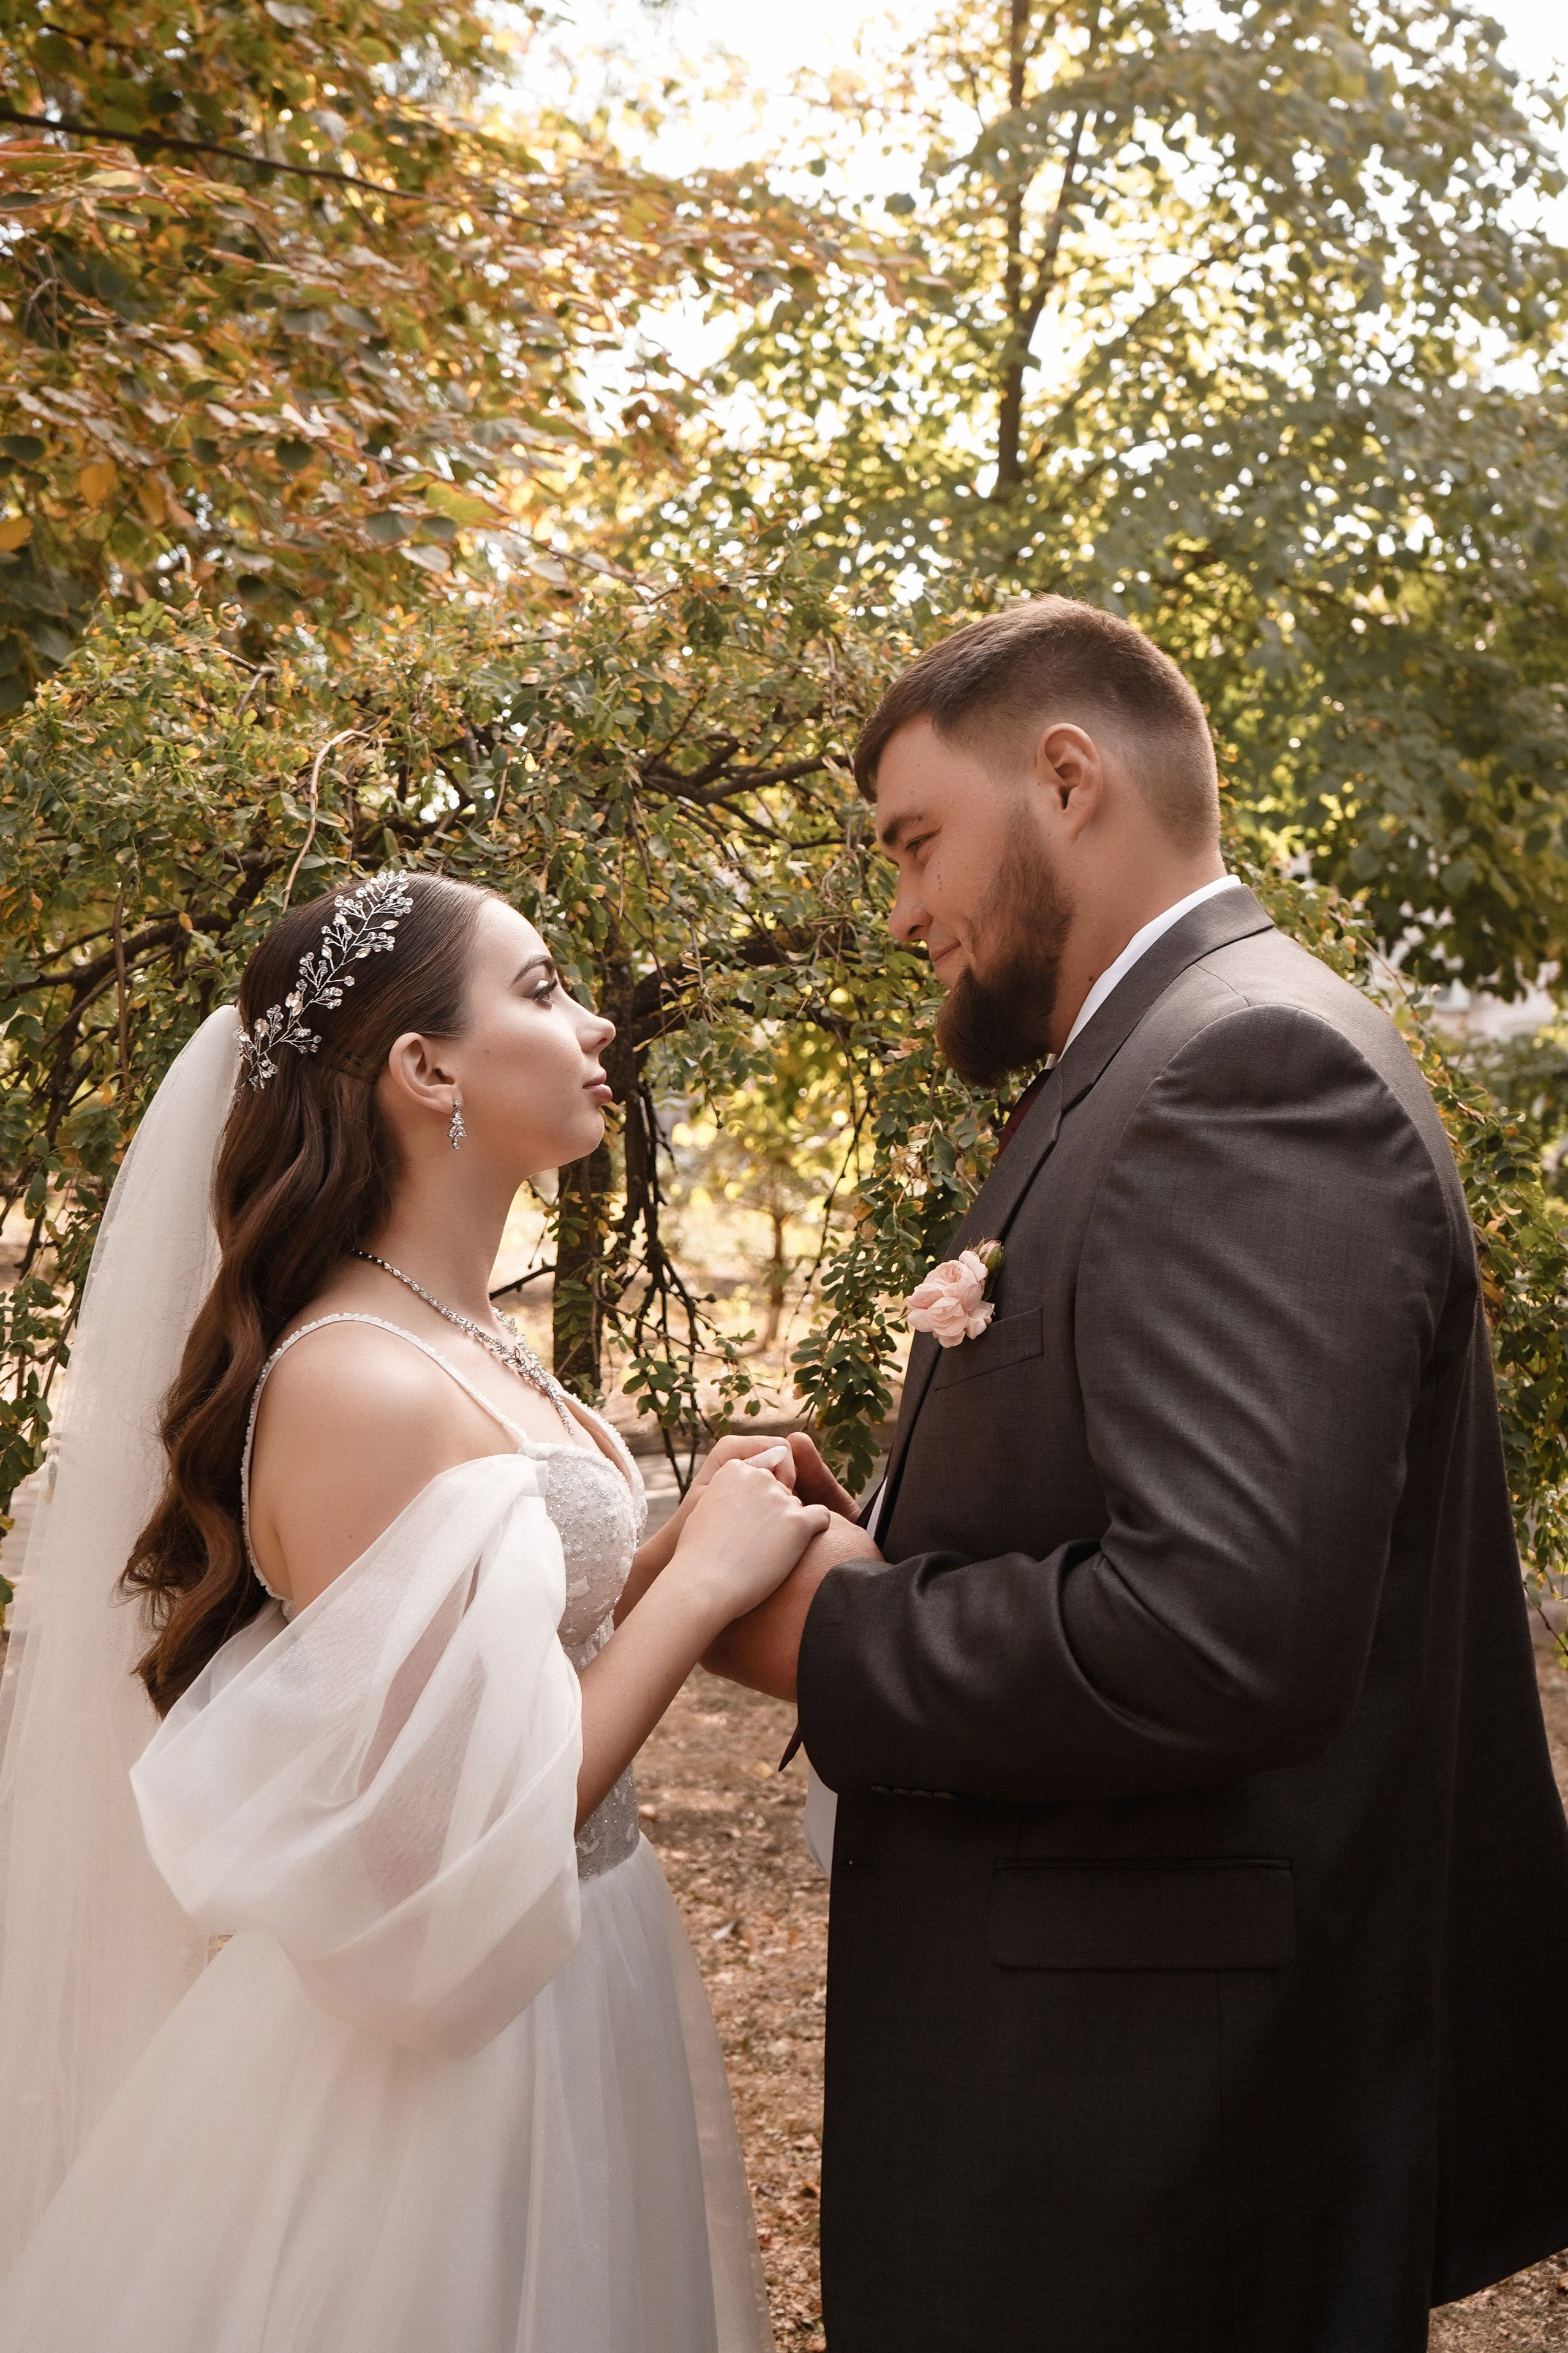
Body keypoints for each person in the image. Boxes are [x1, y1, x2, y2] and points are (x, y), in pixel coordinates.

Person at [704, 597, 1568, 2352]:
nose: (904, 914)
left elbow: (1222, 1632)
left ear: (1070, 777)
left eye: (917, 843)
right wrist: (874, 1537)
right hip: (1110, 2114)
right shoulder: (1151, 1057)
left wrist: (827, 1636)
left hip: (1157, 2155)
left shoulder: (1247, 1068)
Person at [0, 871, 829, 2352]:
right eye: (540, 988)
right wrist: (700, 1586)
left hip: (586, 1955)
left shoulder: (468, 1333)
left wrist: (683, 1529)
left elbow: (508, 1651)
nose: (592, 1027)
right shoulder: (354, 1381)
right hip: (444, 2055)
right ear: (424, 1066)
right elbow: (441, 1838)